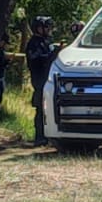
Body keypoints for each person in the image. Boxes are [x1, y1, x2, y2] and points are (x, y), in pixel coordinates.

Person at [26, 16, 57, 145]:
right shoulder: (34, 43)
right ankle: (40, 137)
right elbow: (36, 59)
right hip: (39, 80)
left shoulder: (46, 42)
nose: (49, 29)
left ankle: (49, 135)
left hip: (48, 79)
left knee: (48, 109)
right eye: (46, 27)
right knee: (40, 108)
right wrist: (51, 55)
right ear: (39, 28)